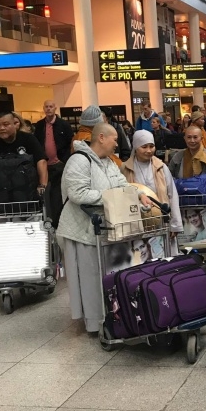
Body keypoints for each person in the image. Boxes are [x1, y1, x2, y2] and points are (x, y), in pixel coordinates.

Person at [58, 123, 152, 333]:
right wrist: (111, 197)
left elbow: (121, 184)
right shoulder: (79, 161)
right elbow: (77, 193)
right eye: (115, 139)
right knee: (90, 277)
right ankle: (95, 322)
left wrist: (138, 194)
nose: (117, 144)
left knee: (107, 275)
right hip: (82, 230)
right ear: (101, 137)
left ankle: (114, 315)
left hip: (105, 228)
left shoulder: (109, 162)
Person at [120, 130, 183, 254]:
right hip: (137, 224)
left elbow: (172, 195)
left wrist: (175, 224)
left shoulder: (161, 167)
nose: (149, 150)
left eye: (151, 146)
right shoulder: (125, 168)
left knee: (165, 256)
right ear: (135, 147)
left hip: (162, 222)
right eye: (144, 147)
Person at [0, 111, 48, 197]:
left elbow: (41, 161)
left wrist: (42, 185)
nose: (2, 128)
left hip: (28, 191)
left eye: (6, 124)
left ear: (15, 124)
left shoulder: (28, 138)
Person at [34, 100, 74, 227]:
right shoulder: (39, 125)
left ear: (55, 108)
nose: (48, 109)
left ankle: (58, 221)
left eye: (51, 106)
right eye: (46, 107)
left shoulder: (64, 124)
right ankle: (47, 219)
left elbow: (71, 142)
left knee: (57, 195)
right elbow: (36, 144)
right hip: (44, 165)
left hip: (59, 164)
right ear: (43, 108)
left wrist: (64, 160)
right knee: (45, 194)